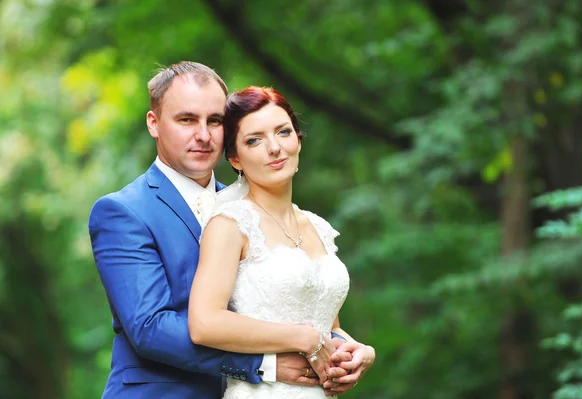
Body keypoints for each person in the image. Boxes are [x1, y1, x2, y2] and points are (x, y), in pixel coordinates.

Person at [89, 62, 355, 399]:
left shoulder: (250, 206)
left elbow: (291, 305)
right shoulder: (123, 212)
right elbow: (149, 328)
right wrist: (262, 364)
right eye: (186, 120)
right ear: (154, 123)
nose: (203, 135)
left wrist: (349, 349)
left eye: (214, 121)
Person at [188, 86, 376, 398]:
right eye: (254, 140)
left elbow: (325, 322)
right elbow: (204, 323)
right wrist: (305, 339)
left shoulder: (318, 227)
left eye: (283, 132)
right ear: (235, 158)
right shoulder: (230, 224)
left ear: (298, 140)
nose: (274, 147)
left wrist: (360, 352)